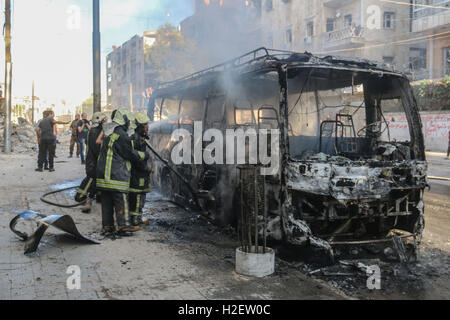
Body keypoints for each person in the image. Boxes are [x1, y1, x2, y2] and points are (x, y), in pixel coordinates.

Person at [96, 109, 150, 236]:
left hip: (103, 173)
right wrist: (144, 155)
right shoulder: (121, 134)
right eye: (128, 121)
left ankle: (108, 226)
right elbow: (129, 154)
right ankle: (124, 225)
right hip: (115, 174)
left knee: (107, 201)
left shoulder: (109, 130)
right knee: (121, 199)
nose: (129, 124)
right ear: (124, 120)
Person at [77, 112, 108, 213]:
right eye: (105, 119)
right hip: (93, 161)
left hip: (93, 160)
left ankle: (97, 197)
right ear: (101, 121)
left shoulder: (97, 130)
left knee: (96, 179)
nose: (106, 121)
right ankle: (80, 197)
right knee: (91, 178)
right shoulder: (95, 131)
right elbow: (96, 148)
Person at [129, 112, 152, 227]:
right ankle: (135, 220)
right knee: (138, 197)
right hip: (138, 175)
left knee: (139, 197)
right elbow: (137, 160)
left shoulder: (139, 138)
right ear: (140, 126)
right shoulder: (136, 139)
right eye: (146, 124)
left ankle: (136, 218)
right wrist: (148, 169)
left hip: (139, 174)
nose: (148, 127)